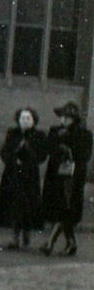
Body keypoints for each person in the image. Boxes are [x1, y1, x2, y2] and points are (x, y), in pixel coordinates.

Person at [0, 108, 48, 250]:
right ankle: (15, 237)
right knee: (14, 205)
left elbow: (42, 155)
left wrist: (29, 153)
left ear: (34, 121)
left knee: (28, 206)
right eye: (22, 118)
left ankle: (26, 232)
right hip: (13, 174)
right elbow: (4, 152)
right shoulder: (13, 133)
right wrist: (13, 159)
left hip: (29, 176)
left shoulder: (39, 135)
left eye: (28, 118)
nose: (25, 121)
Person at [41, 102, 90, 257]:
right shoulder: (55, 131)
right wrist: (57, 142)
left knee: (65, 207)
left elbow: (85, 156)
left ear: (74, 119)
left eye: (67, 117)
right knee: (62, 209)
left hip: (73, 177)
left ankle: (50, 242)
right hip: (55, 175)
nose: (64, 120)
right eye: (62, 117)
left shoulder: (84, 134)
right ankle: (71, 243)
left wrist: (70, 149)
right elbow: (47, 148)